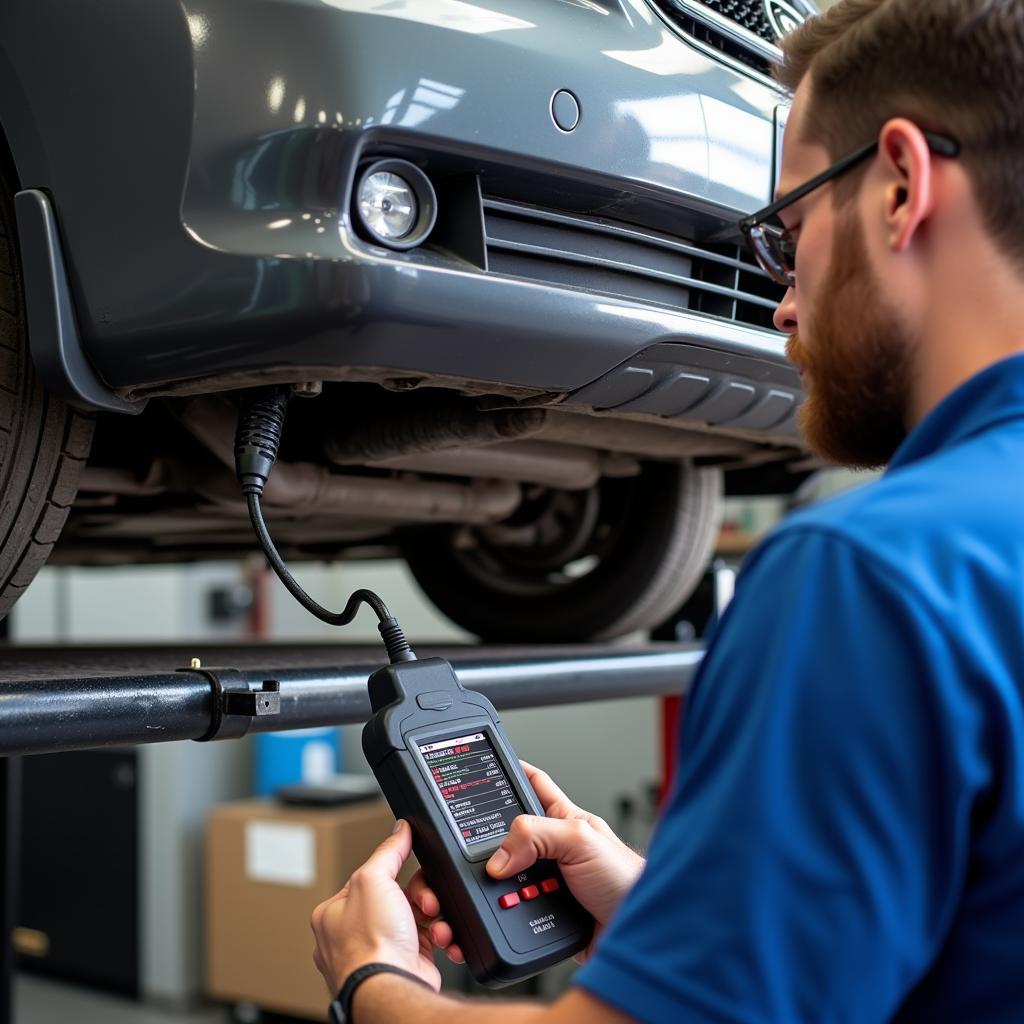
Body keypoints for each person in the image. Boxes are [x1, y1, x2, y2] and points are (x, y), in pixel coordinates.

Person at [310, 0, 1024, 1019]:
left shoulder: (872, 580)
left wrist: (370, 978)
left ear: (900, 187)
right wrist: (676, 911)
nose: (782, 300)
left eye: (788, 235)